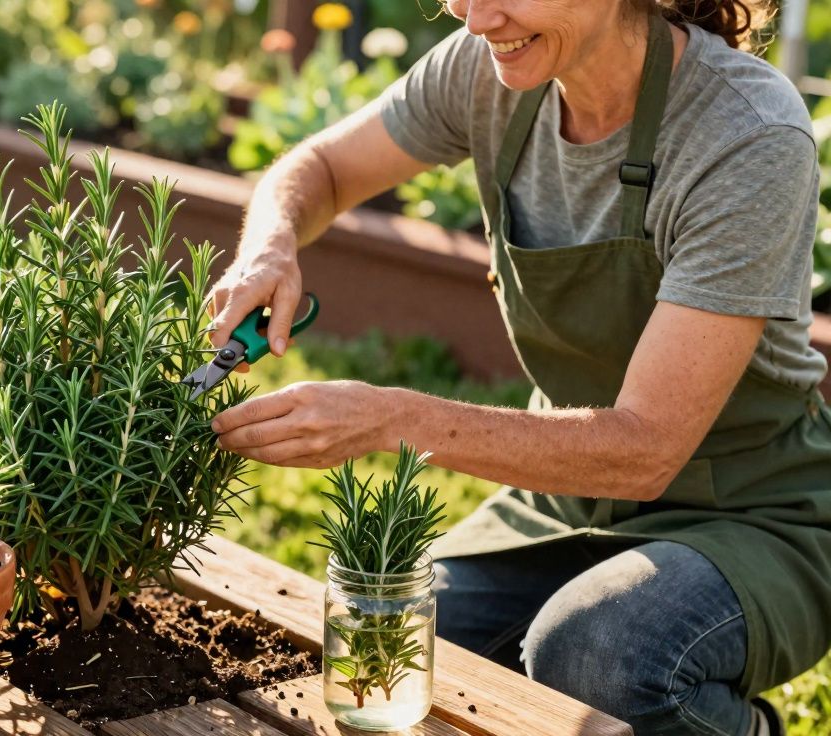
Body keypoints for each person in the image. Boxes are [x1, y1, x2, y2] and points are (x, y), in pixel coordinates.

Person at [207, 2, 831, 734]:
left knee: (598, 652)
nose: (475, 20)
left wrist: (388, 418)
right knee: (394, 644)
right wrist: (271, 243)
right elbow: (324, 167)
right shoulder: (486, 70)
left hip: (753, 513)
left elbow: (645, 451)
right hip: (560, 497)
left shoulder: (746, 132)